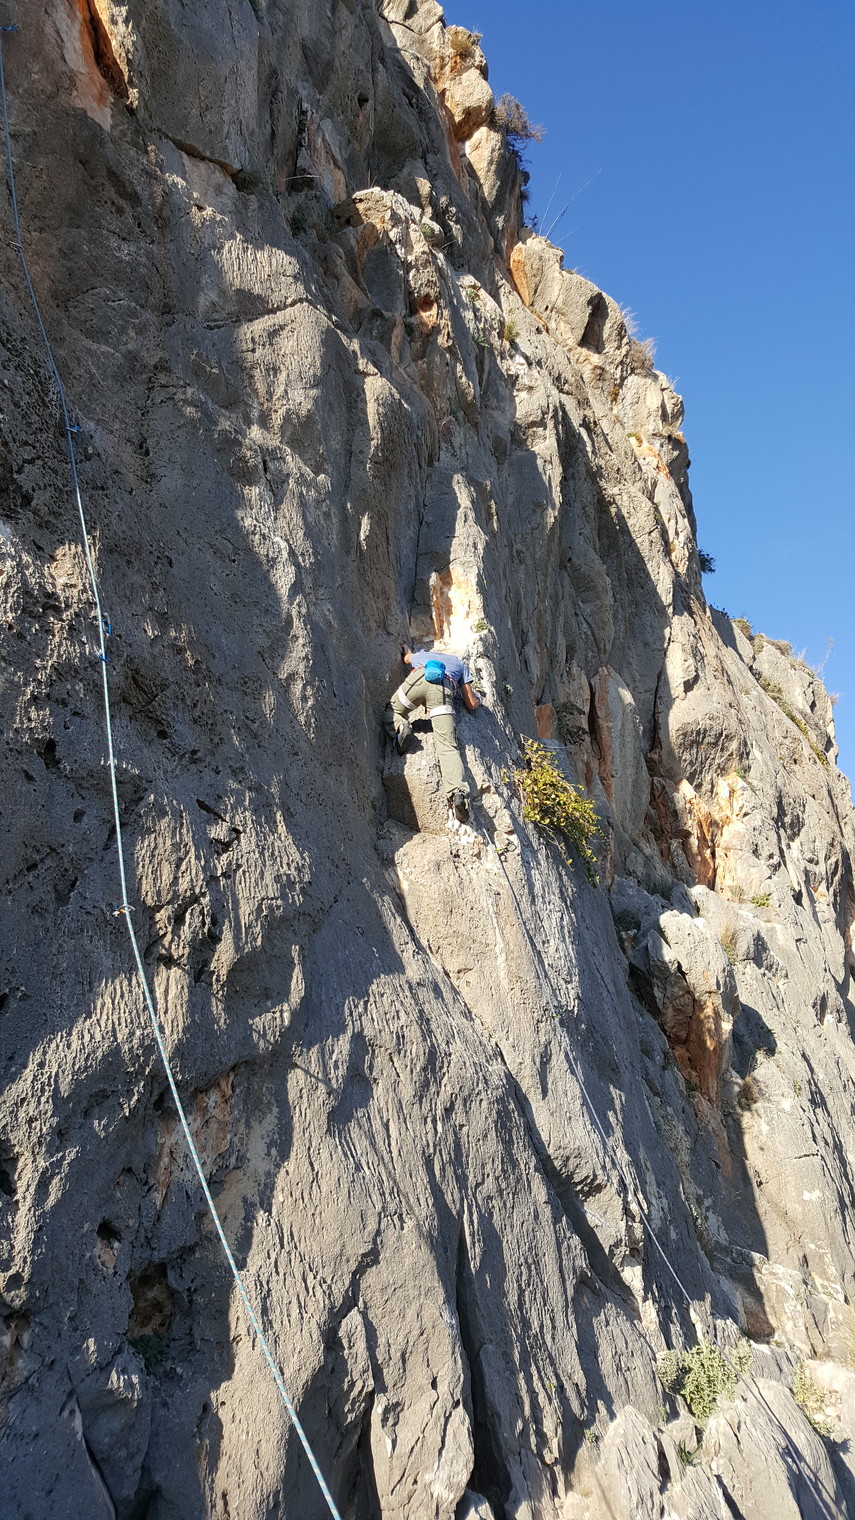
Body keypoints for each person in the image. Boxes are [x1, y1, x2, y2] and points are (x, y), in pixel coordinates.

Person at [384, 645, 479, 822]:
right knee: (447, 746)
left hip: (418, 679)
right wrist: (478, 699)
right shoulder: (459, 664)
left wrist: (407, 651)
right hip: (442, 689)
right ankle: (457, 793)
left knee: (392, 710)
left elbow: (406, 658)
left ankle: (400, 727)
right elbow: (471, 703)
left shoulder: (422, 656)